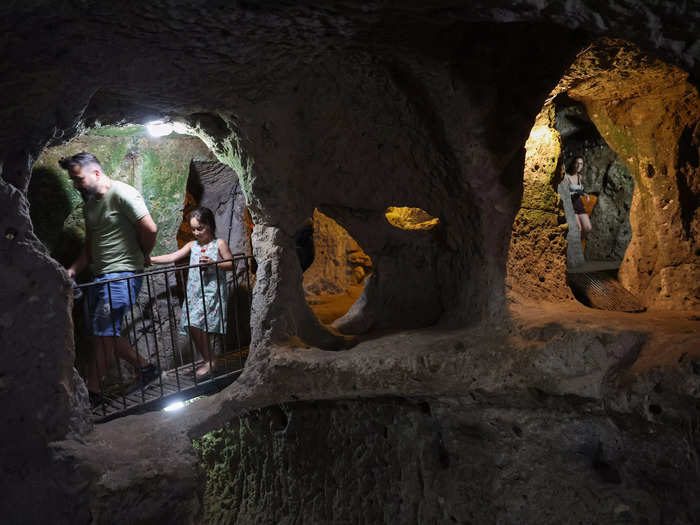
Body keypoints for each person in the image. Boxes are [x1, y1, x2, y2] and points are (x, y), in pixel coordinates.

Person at [61, 152, 160, 406]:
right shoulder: (91, 204)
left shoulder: (123, 193)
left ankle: (92, 392)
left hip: (123, 274)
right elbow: (90, 246)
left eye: (78, 178)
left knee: (104, 331)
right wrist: (72, 270)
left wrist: (144, 254)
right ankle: (146, 368)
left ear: (95, 173)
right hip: (100, 276)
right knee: (101, 331)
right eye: (72, 180)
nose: (75, 184)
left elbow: (150, 228)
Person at [151, 206, 235, 379]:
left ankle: (210, 361)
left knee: (196, 323)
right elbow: (172, 257)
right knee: (191, 322)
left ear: (209, 226)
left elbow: (231, 264)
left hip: (211, 291)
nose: (196, 232)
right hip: (194, 292)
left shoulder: (219, 244)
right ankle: (209, 359)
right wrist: (150, 260)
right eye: (193, 229)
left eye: (200, 228)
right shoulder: (192, 245)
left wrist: (213, 263)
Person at [564, 156, 592, 250]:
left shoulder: (580, 177)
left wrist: (585, 194)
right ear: (573, 164)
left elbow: (580, 190)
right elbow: (565, 192)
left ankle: (577, 244)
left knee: (588, 227)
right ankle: (573, 248)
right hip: (571, 205)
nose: (579, 165)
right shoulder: (566, 176)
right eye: (577, 163)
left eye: (581, 163)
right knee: (578, 228)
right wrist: (576, 193)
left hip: (579, 204)